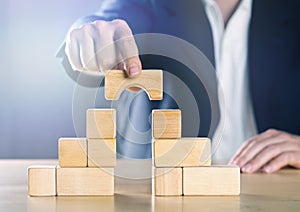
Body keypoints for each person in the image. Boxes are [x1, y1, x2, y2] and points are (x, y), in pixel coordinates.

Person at [58, 0, 300, 173]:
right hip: (162, 188)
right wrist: (90, 35)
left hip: (272, 181)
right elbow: (106, 20)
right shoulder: (154, 4)